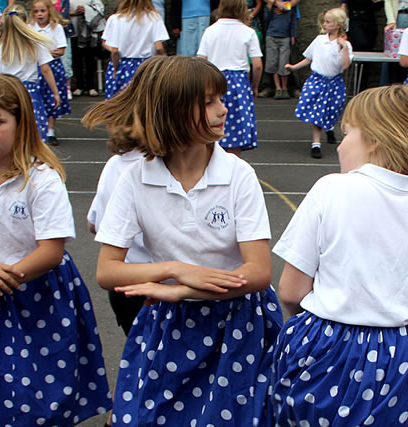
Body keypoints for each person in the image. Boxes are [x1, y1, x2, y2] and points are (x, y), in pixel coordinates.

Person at [82, 55, 283, 426]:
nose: (223, 108)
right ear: (172, 110)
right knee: (155, 415)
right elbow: (107, 271)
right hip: (170, 326)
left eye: (221, 98)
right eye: (208, 101)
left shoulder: (238, 175)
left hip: (238, 322)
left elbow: (258, 273)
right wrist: (176, 271)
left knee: (233, 417)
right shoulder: (135, 179)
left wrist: (182, 290)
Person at [270, 84, 408, 426]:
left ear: (375, 140)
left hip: (325, 346)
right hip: (405, 356)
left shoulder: (332, 189)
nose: (341, 143)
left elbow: (291, 292)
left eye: (347, 133)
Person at [0, 73, 112, 426]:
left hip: (40, 289)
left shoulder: (40, 178)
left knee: (49, 382)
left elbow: (51, 251)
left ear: (22, 123)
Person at [87, 147, 150, 336]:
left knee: (138, 356)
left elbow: (94, 223)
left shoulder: (115, 164)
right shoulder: (153, 169)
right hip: (159, 283)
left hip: (125, 283)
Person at [286, 8, 352, 159]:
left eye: (329, 22)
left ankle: (328, 128)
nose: (325, 24)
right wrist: (294, 67)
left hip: (334, 83)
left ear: (338, 25)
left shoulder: (344, 44)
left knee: (332, 110)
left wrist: (345, 48)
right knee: (317, 112)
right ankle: (316, 144)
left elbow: (346, 65)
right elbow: (309, 58)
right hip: (317, 80)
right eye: (325, 21)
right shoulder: (319, 40)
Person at [198, 0, 262, 155]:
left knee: (209, 124)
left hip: (213, 79)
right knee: (237, 130)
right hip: (238, 82)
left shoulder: (210, 30)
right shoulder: (248, 32)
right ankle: (233, 169)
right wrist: (254, 85)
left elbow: (200, 60)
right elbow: (257, 65)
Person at [0, 5, 61, 142]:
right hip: (29, 93)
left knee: (11, 131)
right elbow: (46, 69)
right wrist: (55, 92)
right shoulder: (35, 42)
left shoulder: (2, 47)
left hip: (8, 92)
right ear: (26, 21)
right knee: (33, 132)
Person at [102, 0, 168, 100]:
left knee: (118, 103)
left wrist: (116, 69)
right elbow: (159, 47)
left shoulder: (115, 19)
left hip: (122, 65)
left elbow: (114, 50)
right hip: (147, 65)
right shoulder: (154, 17)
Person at [31, 0, 72, 146]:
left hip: (52, 66)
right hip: (35, 67)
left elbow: (61, 50)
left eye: (42, 11)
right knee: (36, 98)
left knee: (52, 99)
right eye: (36, 11)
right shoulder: (30, 28)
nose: (40, 14)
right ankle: (36, 130)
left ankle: (51, 131)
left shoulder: (56, 28)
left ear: (49, 11)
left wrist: (46, 52)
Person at [264, 0, 297, 100]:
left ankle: (284, 87)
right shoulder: (273, 6)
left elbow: (293, 21)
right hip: (271, 36)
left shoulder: (289, 7)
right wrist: (270, 7)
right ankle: (278, 87)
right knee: (273, 62)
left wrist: (293, 35)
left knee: (284, 62)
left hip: (285, 37)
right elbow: (266, 18)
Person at [69, 0, 104, 96]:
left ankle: (91, 86)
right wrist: (73, 12)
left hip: (89, 32)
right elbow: (60, 10)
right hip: (74, 32)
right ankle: (79, 86)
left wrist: (86, 10)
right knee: (77, 60)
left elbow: (100, 8)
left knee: (90, 60)